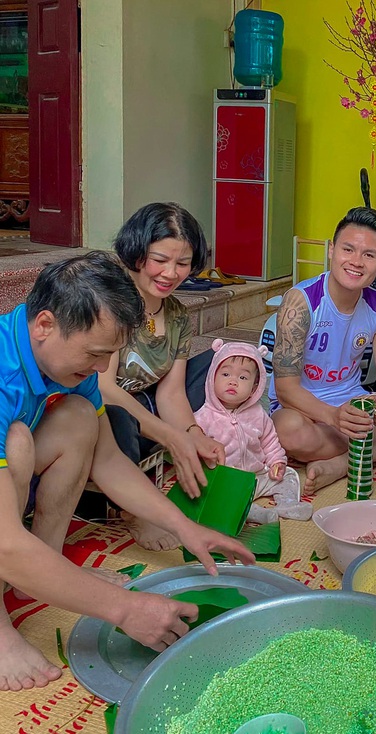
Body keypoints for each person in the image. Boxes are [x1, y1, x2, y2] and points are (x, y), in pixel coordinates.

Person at [0, 252, 255, 692]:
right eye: (95, 354)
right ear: (44, 325)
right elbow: (3, 541)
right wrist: (123, 609)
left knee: (80, 417)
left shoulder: (65, 356)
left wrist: (183, 526)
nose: (101, 369)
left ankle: (41, 569)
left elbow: (109, 459)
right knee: (18, 445)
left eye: (109, 356)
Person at [269, 207, 376, 493]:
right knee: (288, 431)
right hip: (304, 409)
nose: (356, 262)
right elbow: (286, 389)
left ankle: (340, 464)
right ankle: (366, 449)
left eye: (369, 255)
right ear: (332, 250)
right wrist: (334, 417)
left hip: (354, 404)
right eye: (348, 249)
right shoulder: (299, 303)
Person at [99, 202, 223, 551]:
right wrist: (171, 436)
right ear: (137, 253)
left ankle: (168, 445)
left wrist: (193, 435)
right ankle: (132, 507)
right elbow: (103, 387)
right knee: (118, 415)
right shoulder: (113, 301)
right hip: (102, 404)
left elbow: (172, 394)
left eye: (182, 263)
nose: (171, 273)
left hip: (145, 400)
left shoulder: (177, 315)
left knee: (215, 364)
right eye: (160, 260)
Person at [193, 340, 312, 523]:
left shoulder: (258, 414)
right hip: (226, 481)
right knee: (210, 492)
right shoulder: (202, 418)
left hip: (257, 477)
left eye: (243, 378)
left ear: (254, 388)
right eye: (225, 374)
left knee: (289, 475)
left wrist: (276, 462)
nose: (233, 381)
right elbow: (194, 449)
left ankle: (287, 504)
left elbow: (270, 441)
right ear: (212, 378)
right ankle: (254, 513)